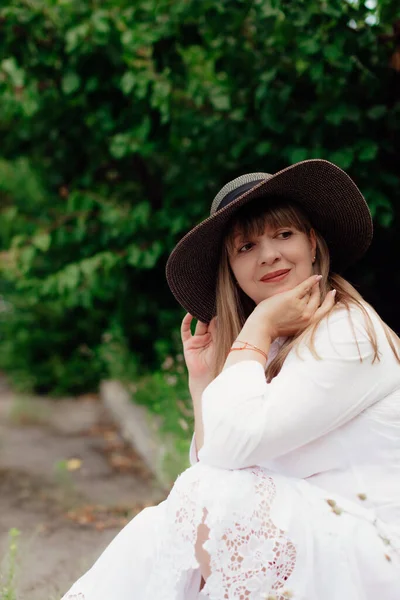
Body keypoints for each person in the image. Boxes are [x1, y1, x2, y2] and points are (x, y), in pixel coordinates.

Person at [61, 159, 400, 600]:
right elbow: (213, 469)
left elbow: (223, 466)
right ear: (233, 270)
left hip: (370, 549)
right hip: (312, 541)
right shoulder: (273, 349)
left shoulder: (347, 331)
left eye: (284, 234)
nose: (269, 254)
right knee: (160, 526)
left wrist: (256, 328)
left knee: (212, 496)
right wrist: (202, 381)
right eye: (246, 247)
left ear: (313, 243)